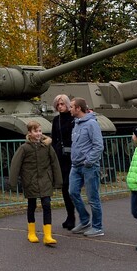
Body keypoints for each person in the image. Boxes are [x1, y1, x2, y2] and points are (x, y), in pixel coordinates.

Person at [9, 120, 63, 246]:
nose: (38, 134)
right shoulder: (24, 148)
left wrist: (58, 181)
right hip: (30, 180)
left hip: (45, 179)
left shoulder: (47, 146)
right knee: (32, 205)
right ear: (29, 133)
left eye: (39, 131)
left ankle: (47, 235)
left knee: (46, 204)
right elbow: (15, 165)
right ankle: (31, 232)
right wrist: (13, 182)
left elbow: (54, 163)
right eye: (35, 131)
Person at [68, 97, 105, 237]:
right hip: (76, 165)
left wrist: (89, 161)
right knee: (72, 192)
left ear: (78, 108)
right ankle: (84, 221)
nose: (69, 109)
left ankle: (98, 227)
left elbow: (98, 145)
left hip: (89, 166)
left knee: (93, 198)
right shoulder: (76, 124)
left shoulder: (91, 124)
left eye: (71, 106)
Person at [50, 94, 75, 229]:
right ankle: (70, 215)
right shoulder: (56, 120)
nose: (60, 106)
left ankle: (75, 216)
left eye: (62, 104)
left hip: (72, 157)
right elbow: (54, 138)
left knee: (70, 187)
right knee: (64, 188)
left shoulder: (73, 119)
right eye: (58, 104)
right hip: (61, 157)